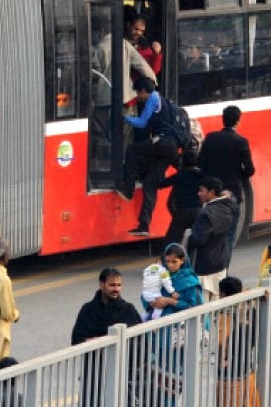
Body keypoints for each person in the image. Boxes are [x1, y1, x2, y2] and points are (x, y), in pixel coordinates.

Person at [119, 78, 181, 237]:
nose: (138, 97)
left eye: (138, 93)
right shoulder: (163, 100)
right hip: (171, 148)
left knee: (132, 150)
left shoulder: (153, 99)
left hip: (163, 143)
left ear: (144, 91)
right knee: (150, 184)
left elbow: (142, 123)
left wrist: (124, 118)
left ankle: (128, 189)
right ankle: (144, 225)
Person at [72, 267, 141, 406]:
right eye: (112, 285)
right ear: (101, 284)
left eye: (119, 285)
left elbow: (140, 341)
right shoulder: (88, 310)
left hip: (119, 371)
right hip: (92, 371)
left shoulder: (127, 310)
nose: (116, 289)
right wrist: (90, 342)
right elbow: (76, 339)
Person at [189, 176, 238, 301]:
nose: (199, 193)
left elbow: (199, 239)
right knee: (215, 303)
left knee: (201, 308)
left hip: (205, 267)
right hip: (220, 262)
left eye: (202, 190)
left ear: (211, 192)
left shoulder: (206, 214)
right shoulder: (228, 207)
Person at [197, 105, 255, 206]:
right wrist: (238, 176)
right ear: (237, 122)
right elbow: (250, 169)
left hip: (213, 192)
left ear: (223, 120)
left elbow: (200, 163)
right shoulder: (241, 141)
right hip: (232, 191)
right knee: (231, 219)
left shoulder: (210, 137)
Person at [216, 277, 260, 407]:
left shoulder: (225, 316)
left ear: (222, 294)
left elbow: (220, 342)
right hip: (247, 369)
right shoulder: (251, 308)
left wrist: (220, 361)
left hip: (229, 376)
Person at [158, 151, 204, 247]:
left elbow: (162, 184)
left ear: (183, 162)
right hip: (198, 211)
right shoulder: (201, 175)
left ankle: (169, 259)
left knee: (171, 241)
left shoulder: (180, 175)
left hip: (182, 211)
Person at [140, 251, 178, 320]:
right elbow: (166, 282)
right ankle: (155, 320)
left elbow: (145, 279)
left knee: (151, 309)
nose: (170, 265)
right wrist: (172, 292)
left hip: (145, 293)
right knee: (159, 307)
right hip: (154, 294)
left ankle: (144, 317)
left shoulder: (148, 268)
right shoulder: (163, 270)